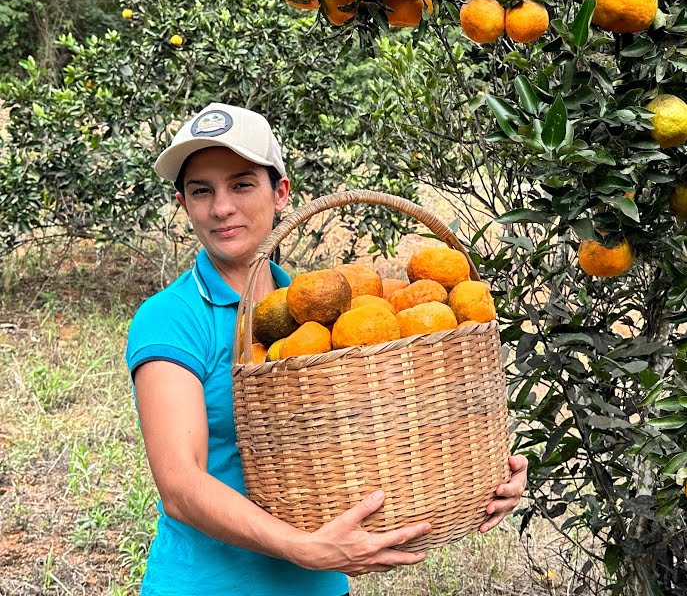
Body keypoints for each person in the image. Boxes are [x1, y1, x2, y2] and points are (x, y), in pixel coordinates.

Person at [125, 103, 528, 595]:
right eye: (200, 190)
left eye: (242, 184)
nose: (221, 207)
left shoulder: (318, 314)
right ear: (184, 203)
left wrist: (483, 474)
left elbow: (383, 429)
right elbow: (180, 488)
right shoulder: (171, 318)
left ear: (281, 193)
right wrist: (302, 548)